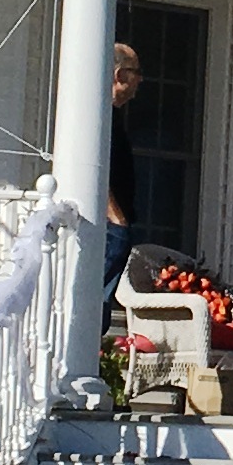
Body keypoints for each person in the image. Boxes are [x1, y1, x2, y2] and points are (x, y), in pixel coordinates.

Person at [102, 40, 142, 286]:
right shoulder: (98, 114)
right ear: (120, 74)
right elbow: (96, 168)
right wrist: (116, 220)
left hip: (115, 226)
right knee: (97, 300)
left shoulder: (112, 115)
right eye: (136, 72)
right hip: (108, 229)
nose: (140, 79)